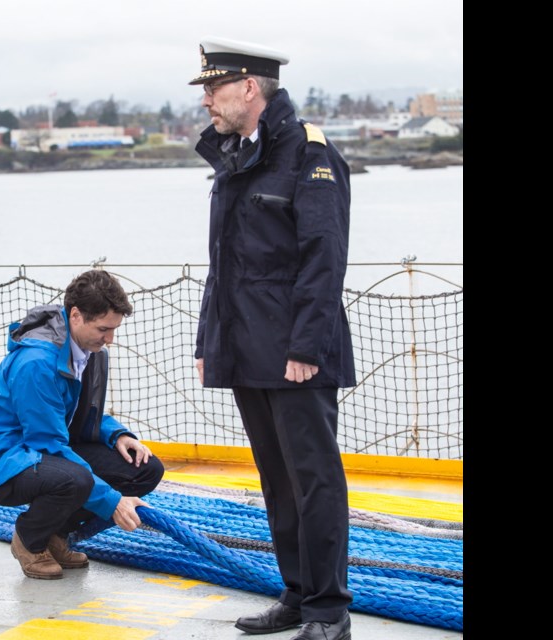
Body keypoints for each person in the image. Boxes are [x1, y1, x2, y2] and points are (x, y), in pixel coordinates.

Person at [188, 37, 356, 640]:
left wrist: (305, 348)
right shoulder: (235, 157)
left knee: (314, 479)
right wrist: (211, 341)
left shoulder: (308, 154)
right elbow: (223, 263)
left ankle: (329, 609)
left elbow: (324, 258)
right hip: (247, 348)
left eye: (214, 88)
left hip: (295, 354)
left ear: (250, 88)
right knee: (276, 478)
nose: (207, 100)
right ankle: (295, 593)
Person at [0, 269, 164, 580]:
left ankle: (56, 534)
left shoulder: (89, 351)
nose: (110, 338)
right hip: (2, 460)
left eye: (114, 329)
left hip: (42, 446)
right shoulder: (37, 363)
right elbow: (47, 442)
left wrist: (117, 435)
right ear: (75, 316)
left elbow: (78, 414)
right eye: (103, 329)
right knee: (76, 479)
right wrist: (111, 500)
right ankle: (30, 539)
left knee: (144, 468)